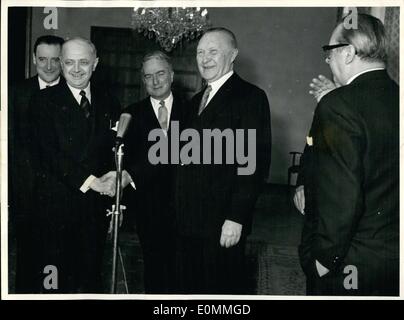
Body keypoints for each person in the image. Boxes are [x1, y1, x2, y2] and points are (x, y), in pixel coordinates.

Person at [298, 14, 399, 296]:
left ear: (349, 52)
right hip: (392, 262)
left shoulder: (337, 105)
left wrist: (322, 261)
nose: (327, 61)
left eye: (329, 52)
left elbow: (344, 196)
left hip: (348, 263)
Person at [174, 27, 272, 294]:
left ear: (233, 55)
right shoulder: (194, 102)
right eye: (200, 52)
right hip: (188, 220)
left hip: (221, 221)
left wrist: (236, 217)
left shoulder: (250, 97)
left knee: (219, 290)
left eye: (213, 52)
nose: (204, 59)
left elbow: (253, 163)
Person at [30, 37, 120, 293]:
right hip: (55, 212)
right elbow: (49, 154)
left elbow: (115, 152)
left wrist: (116, 194)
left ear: (96, 64)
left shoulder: (109, 101)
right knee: (54, 285)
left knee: (90, 280)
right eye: (69, 62)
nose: (77, 69)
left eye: (84, 62)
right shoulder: (42, 101)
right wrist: (94, 182)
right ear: (61, 63)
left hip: (94, 213)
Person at [121, 51, 186, 293]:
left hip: (185, 205)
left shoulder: (191, 110)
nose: (156, 81)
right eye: (149, 76)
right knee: (154, 266)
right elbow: (125, 161)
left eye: (160, 74)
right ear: (143, 80)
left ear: (172, 75)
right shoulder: (131, 114)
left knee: (183, 268)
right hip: (148, 206)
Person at [9, 35, 64, 293]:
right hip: (28, 195)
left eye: (56, 60)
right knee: (28, 265)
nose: (50, 66)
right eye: (43, 59)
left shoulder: (75, 94)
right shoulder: (16, 93)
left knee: (62, 264)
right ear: (34, 60)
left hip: (64, 195)